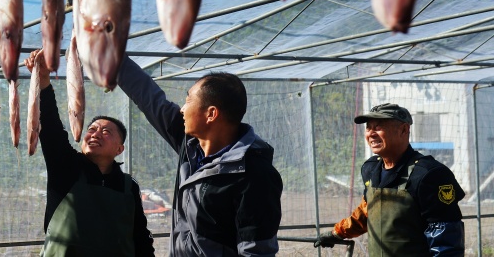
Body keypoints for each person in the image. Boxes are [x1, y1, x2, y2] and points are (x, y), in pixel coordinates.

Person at [116, 56, 283, 256]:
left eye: (188, 101)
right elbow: (150, 98)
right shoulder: (190, 146)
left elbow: (256, 252)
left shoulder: (255, 174)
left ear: (211, 114)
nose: (182, 109)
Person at [25, 49, 154, 257]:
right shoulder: (66, 168)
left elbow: (140, 236)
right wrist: (43, 83)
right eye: (92, 129)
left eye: (106, 132)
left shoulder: (128, 186)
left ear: (120, 149)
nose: (96, 134)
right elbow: (51, 128)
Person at [314, 103, 465, 256]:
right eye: (368, 127)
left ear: (404, 130)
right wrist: (338, 233)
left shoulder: (429, 174)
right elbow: (367, 212)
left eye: (378, 127)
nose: (371, 133)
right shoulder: (371, 169)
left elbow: (446, 240)